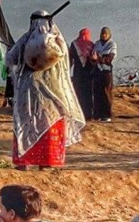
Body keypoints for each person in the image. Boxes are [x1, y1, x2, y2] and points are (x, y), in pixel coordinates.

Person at [6, 10, 85, 170]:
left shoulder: (26, 39)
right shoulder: (58, 39)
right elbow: (64, 59)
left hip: (28, 89)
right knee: (49, 121)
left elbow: (10, 59)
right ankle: (47, 162)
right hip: (53, 89)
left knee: (27, 122)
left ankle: (24, 162)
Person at [90, 27, 117, 122]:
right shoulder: (97, 43)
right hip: (97, 70)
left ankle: (106, 115)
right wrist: (94, 59)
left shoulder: (112, 44)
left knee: (106, 92)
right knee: (97, 92)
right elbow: (93, 55)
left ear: (109, 34)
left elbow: (110, 58)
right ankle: (98, 114)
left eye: (105, 33)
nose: (103, 35)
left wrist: (100, 58)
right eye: (102, 33)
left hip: (106, 72)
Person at [69, 27, 95, 120]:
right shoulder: (91, 45)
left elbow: (70, 58)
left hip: (78, 72)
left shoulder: (74, 44)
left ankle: (78, 113)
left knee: (79, 92)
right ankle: (88, 114)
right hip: (88, 72)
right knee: (87, 93)